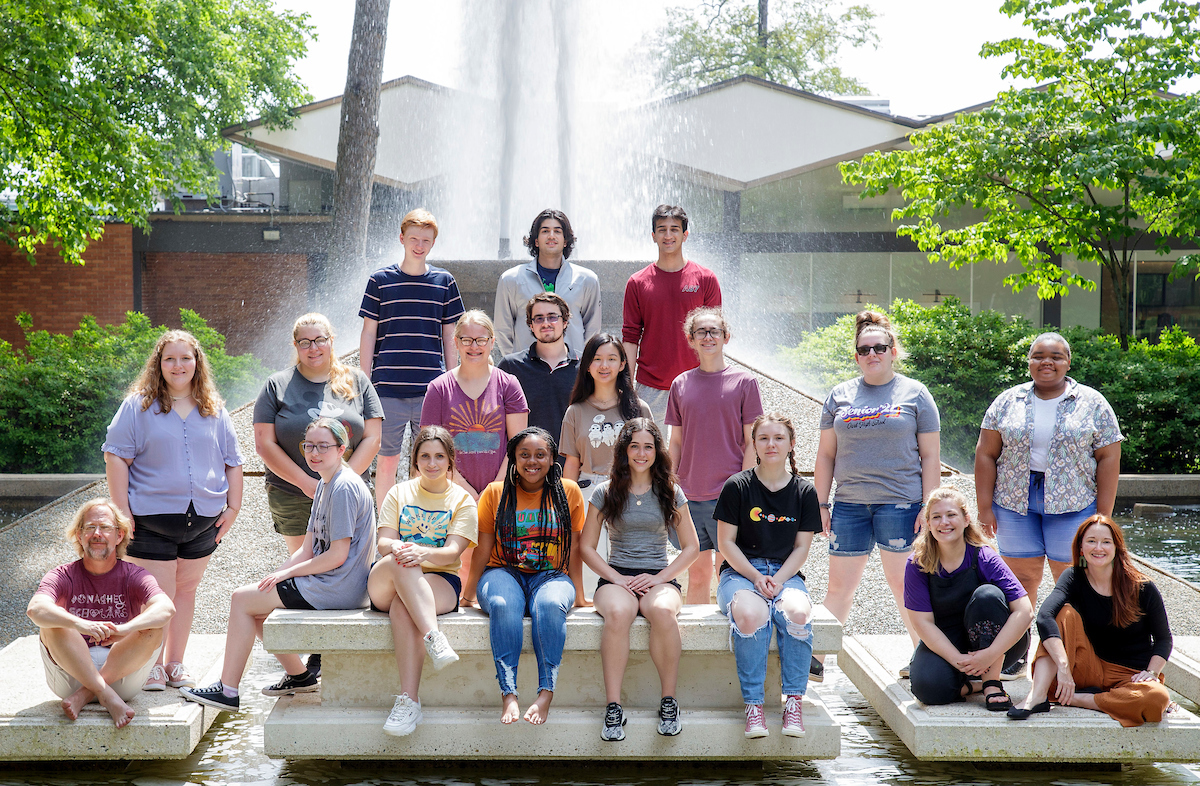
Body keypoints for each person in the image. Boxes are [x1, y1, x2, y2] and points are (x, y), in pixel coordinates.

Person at [181, 418, 375, 711]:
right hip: (328, 581)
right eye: (308, 445)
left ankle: (228, 691)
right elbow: (308, 548)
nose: (314, 453)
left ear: (341, 448)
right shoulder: (325, 483)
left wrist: (288, 573)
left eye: (323, 446)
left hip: (340, 587)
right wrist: (277, 574)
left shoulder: (344, 488)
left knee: (241, 600)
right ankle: (300, 677)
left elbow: (337, 556)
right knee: (257, 600)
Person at [102, 329, 243, 692]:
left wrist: (234, 507)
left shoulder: (213, 406)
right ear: (159, 364)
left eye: (185, 358)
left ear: (197, 362)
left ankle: (175, 664)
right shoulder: (138, 405)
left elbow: (233, 460)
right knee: (156, 597)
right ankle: (149, 666)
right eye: (170, 359)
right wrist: (121, 512)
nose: (178, 365)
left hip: (204, 521)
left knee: (186, 592)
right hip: (151, 520)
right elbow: (115, 456)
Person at [976, 331, 1122, 678]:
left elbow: (1109, 457)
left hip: (1074, 503)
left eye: (1056, 356)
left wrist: (1102, 515)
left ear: (1068, 362)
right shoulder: (1007, 401)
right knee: (1019, 581)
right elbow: (985, 453)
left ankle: (1075, 655)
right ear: (1028, 362)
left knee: (1072, 581)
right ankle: (1015, 653)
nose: (1047, 362)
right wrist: (984, 507)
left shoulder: (1092, 403)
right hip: (1014, 502)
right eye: (1039, 355)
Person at [815, 310, 941, 680]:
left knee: (905, 585)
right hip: (850, 505)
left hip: (901, 504)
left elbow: (931, 455)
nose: (873, 354)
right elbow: (826, 454)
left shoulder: (915, 393)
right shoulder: (839, 395)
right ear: (856, 355)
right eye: (864, 349)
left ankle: (923, 658)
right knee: (839, 587)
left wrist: (929, 507)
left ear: (893, 351)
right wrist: (821, 504)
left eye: (880, 347)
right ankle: (816, 661)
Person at [580, 418, 699, 741]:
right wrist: (616, 578)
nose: (641, 453)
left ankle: (669, 701)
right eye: (635, 446)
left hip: (659, 577)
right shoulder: (606, 492)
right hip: (617, 577)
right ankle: (614, 707)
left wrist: (660, 577)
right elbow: (586, 548)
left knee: (661, 611)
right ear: (624, 451)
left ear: (657, 452)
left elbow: (691, 547)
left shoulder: (671, 492)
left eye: (648, 447)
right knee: (619, 613)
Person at [467, 428, 586, 725]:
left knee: (548, 607)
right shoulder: (495, 494)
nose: (532, 461)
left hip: (551, 576)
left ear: (551, 458)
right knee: (504, 605)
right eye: (524, 455)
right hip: (503, 572)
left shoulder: (569, 492)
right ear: (513, 459)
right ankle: (509, 694)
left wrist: (580, 595)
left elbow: (574, 549)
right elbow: (482, 550)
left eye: (540, 455)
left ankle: (546, 693)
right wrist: (468, 593)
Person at [715, 413, 822, 739]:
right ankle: (754, 707)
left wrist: (777, 579)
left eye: (778, 438)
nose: (771, 444)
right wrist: (757, 578)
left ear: (791, 443)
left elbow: (802, 548)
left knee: (798, 613)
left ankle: (793, 702)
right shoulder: (737, 486)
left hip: (785, 573)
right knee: (750, 614)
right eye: (764, 438)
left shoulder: (804, 491)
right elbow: (726, 544)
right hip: (739, 573)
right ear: (755, 445)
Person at [1008, 515, 1172, 727]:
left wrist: (1151, 673)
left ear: (1117, 547)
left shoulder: (1142, 587)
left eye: (1106, 542)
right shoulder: (1073, 577)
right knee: (1063, 613)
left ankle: (1077, 698)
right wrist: (1063, 665)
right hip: (1085, 668)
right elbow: (1044, 616)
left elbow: (1164, 638)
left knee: (1156, 699)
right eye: (1091, 541)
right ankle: (1036, 696)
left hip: (1129, 677)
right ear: (1081, 548)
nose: (1098, 548)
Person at [368, 425, 478, 736]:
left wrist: (422, 552)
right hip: (389, 577)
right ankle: (434, 637)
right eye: (425, 456)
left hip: (439, 580)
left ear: (450, 460)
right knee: (400, 558)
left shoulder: (462, 500)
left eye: (439, 457)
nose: (432, 463)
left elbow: (452, 552)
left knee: (404, 609)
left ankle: (408, 702)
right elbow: (383, 542)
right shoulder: (399, 492)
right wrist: (407, 550)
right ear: (415, 460)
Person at [27, 499, 176, 728]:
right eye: (89, 527)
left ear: (119, 535)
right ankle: (104, 695)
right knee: (52, 621)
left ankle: (87, 695)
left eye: (105, 527)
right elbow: (35, 609)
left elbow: (166, 608)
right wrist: (81, 624)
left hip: (121, 676)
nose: (97, 533)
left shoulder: (134, 575)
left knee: (153, 628)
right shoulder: (63, 574)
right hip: (71, 673)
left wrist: (126, 629)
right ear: (79, 535)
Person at [360, 208, 466, 509]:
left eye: (427, 240)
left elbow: (450, 336)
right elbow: (369, 333)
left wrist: (452, 380)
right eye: (414, 239)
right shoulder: (380, 280)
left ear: (433, 243)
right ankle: (385, 524)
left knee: (433, 461)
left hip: (430, 390)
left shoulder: (444, 282)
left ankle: (429, 518)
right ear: (402, 238)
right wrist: (365, 381)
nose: (420, 245)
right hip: (388, 388)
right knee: (387, 461)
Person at [254, 313, 383, 555]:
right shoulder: (276, 385)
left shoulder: (358, 381)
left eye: (320, 340)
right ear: (296, 346)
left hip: (350, 495)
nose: (313, 348)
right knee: (304, 567)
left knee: (351, 567)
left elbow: (373, 439)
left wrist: (338, 485)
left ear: (331, 341)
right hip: (294, 494)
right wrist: (310, 486)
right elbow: (264, 444)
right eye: (305, 342)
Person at [422, 310, 529, 597]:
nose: (474, 346)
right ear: (455, 343)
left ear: (492, 342)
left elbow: (518, 444)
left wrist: (495, 487)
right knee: (460, 558)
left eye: (481, 339)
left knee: (497, 557)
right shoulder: (439, 388)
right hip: (452, 490)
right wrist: (464, 487)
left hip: (501, 487)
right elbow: (431, 447)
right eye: (466, 339)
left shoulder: (509, 385)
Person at [904, 488, 1033, 711]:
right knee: (927, 688)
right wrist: (958, 661)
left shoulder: (984, 556)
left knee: (988, 596)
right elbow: (922, 623)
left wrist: (988, 656)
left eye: (951, 515)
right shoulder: (918, 563)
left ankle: (991, 683)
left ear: (966, 519)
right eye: (936, 517)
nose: (944, 522)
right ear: (928, 523)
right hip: (948, 641)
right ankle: (972, 684)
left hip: (996, 642)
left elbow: (1025, 611)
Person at [667, 306, 762, 604]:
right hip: (689, 495)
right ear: (691, 339)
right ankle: (696, 647)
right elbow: (676, 442)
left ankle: (731, 643)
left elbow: (752, 442)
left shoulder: (745, 383)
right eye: (701, 332)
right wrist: (668, 485)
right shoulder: (680, 384)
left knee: (728, 573)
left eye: (714, 331)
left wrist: (743, 490)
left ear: (726, 337)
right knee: (697, 575)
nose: (708, 337)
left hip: (728, 497)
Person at [622, 204, 721, 428]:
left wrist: (715, 379)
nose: (668, 235)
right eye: (662, 229)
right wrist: (626, 387)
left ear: (685, 235)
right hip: (650, 385)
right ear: (653, 236)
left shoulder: (705, 279)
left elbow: (715, 335)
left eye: (674, 229)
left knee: (694, 454)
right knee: (650, 455)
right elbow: (630, 337)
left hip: (697, 382)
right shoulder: (637, 282)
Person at [493, 208, 601, 356]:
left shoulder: (587, 280)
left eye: (557, 231)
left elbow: (592, 328)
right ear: (536, 241)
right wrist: (516, 363)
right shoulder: (511, 279)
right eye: (545, 231)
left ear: (566, 241)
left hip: (572, 369)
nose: (551, 236)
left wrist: (582, 364)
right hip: (527, 370)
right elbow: (502, 329)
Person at [561, 333, 652, 490]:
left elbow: (652, 457)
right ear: (587, 366)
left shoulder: (639, 408)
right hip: (588, 488)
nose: (604, 365)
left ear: (622, 364)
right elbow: (572, 462)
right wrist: (568, 503)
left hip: (631, 488)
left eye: (611, 359)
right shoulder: (575, 411)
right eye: (597, 359)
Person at [498, 293, 579, 449]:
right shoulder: (511, 366)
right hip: (525, 464)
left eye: (552, 317)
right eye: (539, 318)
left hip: (571, 465)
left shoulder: (585, 367)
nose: (546, 323)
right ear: (531, 325)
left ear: (565, 321)